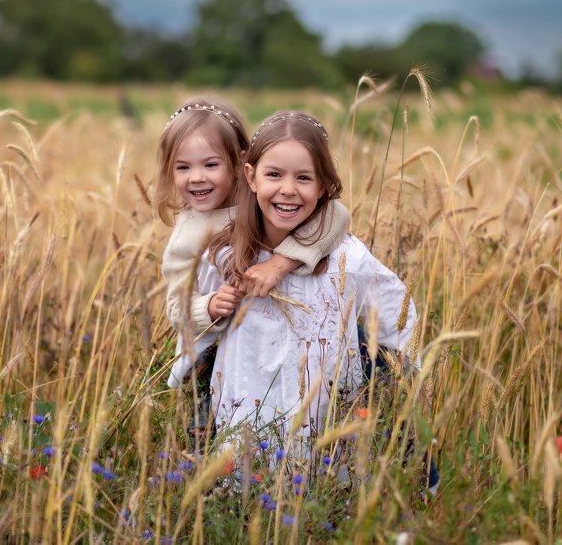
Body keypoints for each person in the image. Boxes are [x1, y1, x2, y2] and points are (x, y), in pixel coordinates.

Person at [200, 111, 418, 458]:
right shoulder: (228, 255)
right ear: (251, 177)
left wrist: (400, 376)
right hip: (245, 412)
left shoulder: (346, 258)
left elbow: (396, 308)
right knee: (247, 495)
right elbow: (196, 322)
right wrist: (209, 312)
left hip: (327, 423)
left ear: (322, 187)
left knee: (320, 499)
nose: (288, 189)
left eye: (303, 177)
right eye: (274, 175)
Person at [154, 97, 350, 439]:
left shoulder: (263, 196)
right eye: (183, 168)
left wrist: (280, 262)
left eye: (210, 165)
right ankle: (211, 484)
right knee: (208, 430)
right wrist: (209, 307)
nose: (197, 178)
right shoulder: (187, 236)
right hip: (211, 350)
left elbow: (338, 215)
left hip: (277, 340)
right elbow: (176, 308)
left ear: (239, 164)